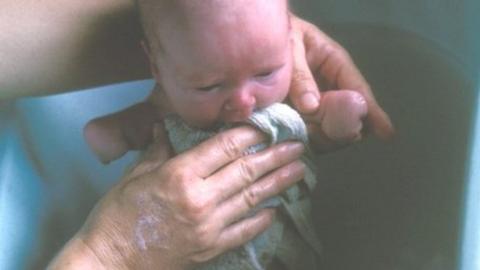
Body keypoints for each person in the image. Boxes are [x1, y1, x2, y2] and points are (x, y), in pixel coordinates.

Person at [1, 1, 394, 269]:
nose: (243, 101)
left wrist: (335, 117)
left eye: (265, 72)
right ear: (157, 68)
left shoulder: (277, 107)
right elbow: (110, 133)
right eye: (208, 86)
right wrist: (112, 254)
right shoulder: (167, 114)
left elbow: (313, 133)